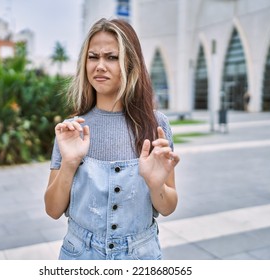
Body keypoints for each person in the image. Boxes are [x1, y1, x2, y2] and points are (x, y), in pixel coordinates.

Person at [44, 18, 180, 260]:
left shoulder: (156, 125)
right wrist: (69, 163)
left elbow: (167, 207)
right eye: (93, 57)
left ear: (130, 64)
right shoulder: (72, 129)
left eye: (112, 57)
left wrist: (156, 183)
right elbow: (53, 210)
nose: (100, 66)